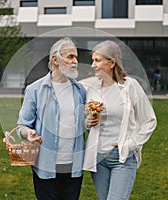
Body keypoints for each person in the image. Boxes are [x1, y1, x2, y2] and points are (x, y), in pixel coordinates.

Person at [83, 40, 157, 200]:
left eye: (97, 60)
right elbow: (88, 123)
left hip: (121, 157)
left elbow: (149, 120)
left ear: (112, 62)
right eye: (93, 60)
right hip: (98, 158)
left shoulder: (130, 86)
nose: (93, 65)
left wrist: (131, 144)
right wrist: (88, 123)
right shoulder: (93, 89)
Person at [17, 37, 86, 200]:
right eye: (70, 57)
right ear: (55, 59)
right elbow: (22, 126)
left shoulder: (80, 90)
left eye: (76, 57)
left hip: (73, 166)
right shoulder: (35, 89)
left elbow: (84, 125)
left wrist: (91, 121)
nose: (75, 61)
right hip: (45, 165)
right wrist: (29, 134)